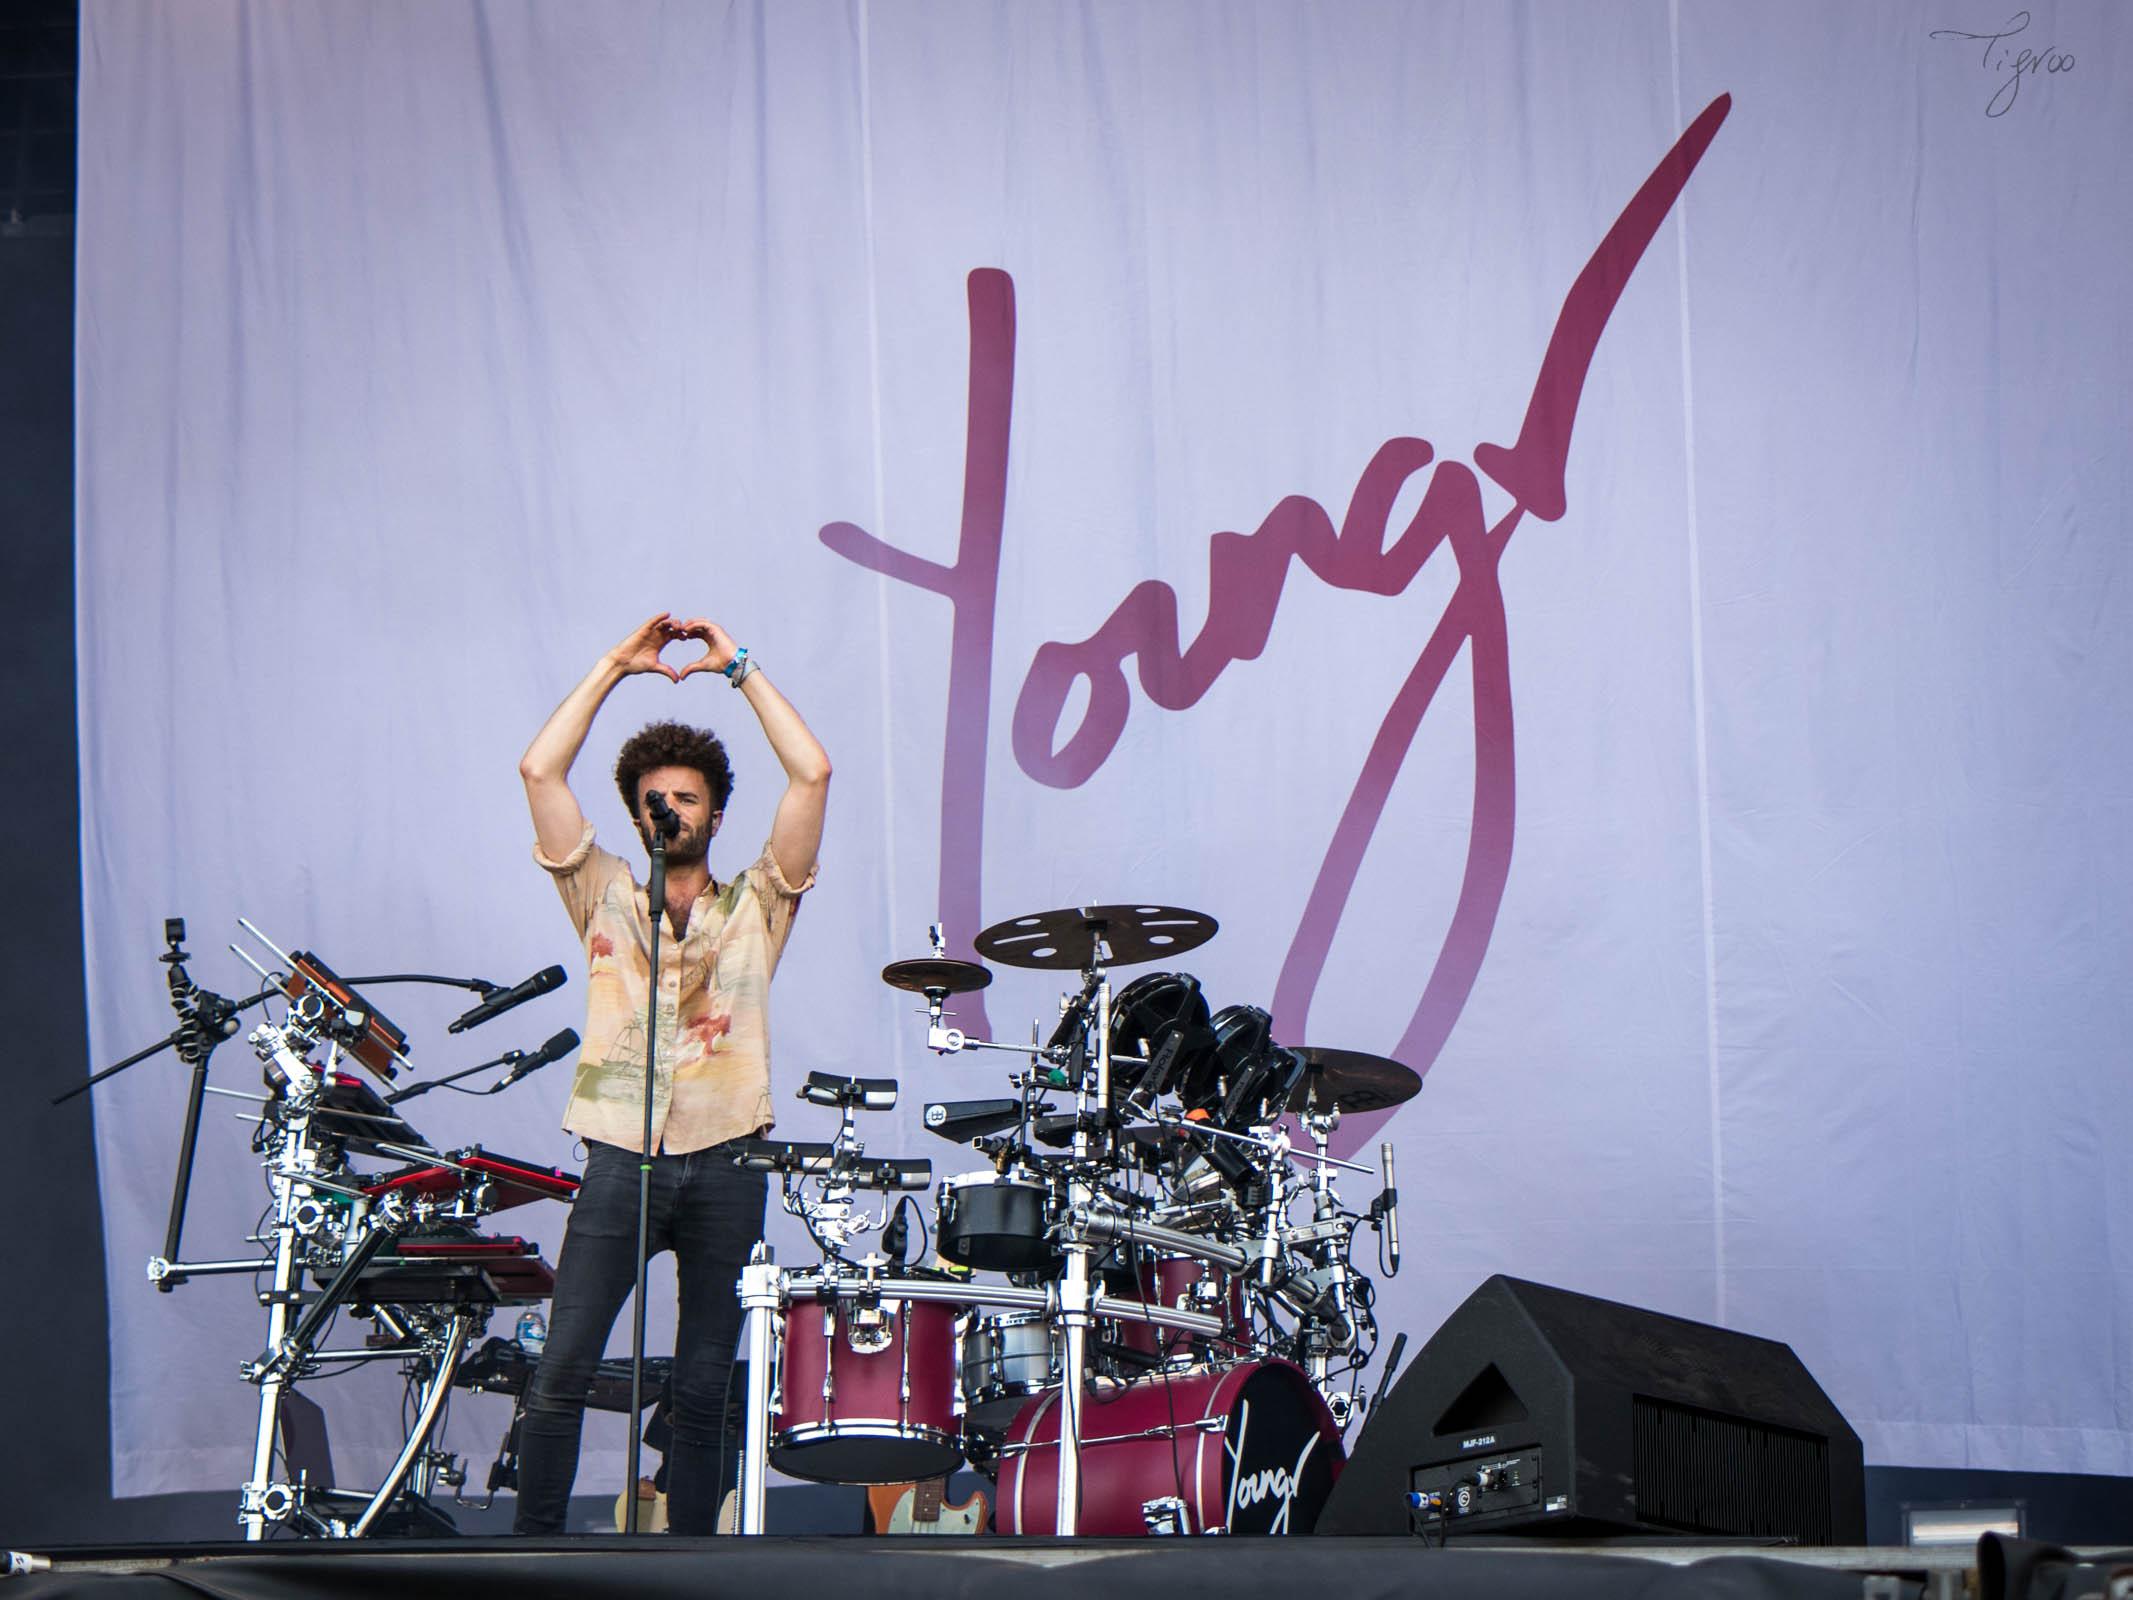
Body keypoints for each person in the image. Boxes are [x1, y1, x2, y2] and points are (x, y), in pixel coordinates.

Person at [512, 612, 830, 1535]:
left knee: (702, 1388)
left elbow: (812, 772)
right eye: (658, 800)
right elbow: (540, 770)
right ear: (637, 813)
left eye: (689, 800)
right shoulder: (601, 888)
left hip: (729, 1157)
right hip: (619, 1156)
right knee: (562, 1369)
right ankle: (534, 1560)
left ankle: (691, 1567)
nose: (673, 812)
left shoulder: (759, 904)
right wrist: (617, 664)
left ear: (715, 814)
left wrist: (736, 668)